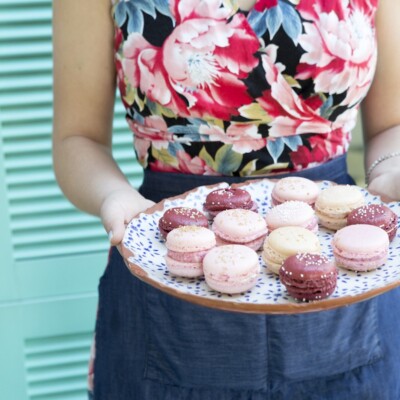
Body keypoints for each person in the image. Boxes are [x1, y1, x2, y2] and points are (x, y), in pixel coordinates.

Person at [52, 0, 400, 399]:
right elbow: (77, 139)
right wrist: (113, 197)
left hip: (339, 264)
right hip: (165, 256)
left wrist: (392, 169)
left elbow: (392, 124)